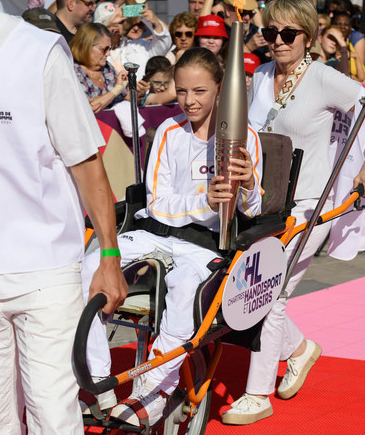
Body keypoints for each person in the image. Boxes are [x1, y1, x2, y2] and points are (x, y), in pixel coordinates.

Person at [0, 0, 129, 433]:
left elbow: (86, 161)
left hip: (44, 266)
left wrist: (109, 256)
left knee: (53, 416)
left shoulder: (36, 48)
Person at [222, 0, 365, 426]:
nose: (277, 41)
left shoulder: (322, 78)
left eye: (287, 33)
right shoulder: (259, 75)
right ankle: (300, 350)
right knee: (249, 289)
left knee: (268, 296)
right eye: (269, 33)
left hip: (311, 203)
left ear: (307, 36)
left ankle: (256, 395)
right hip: (263, 201)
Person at [81, 47, 263, 428]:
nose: (189, 101)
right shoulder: (168, 130)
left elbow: (254, 210)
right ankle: (100, 383)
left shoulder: (245, 136)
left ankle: (154, 391)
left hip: (205, 244)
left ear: (219, 89)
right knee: (89, 267)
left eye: (199, 91)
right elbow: (158, 204)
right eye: (181, 91)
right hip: (157, 232)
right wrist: (203, 199)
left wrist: (247, 185)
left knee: (184, 287)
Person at [70, 22, 128, 113]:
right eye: (104, 49)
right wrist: (116, 89)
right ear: (86, 46)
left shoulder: (107, 68)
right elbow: (89, 108)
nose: (108, 54)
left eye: (110, 48)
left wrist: (139, 92)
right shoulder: (73, 71)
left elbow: (125, 96)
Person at [332, 11, 365, 80]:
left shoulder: (350, 46)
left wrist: (355, 56)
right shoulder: (330, 46)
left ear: (350, 28)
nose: (342, 27)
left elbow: (362, 78)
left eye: (346, 24)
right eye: (339, 24)